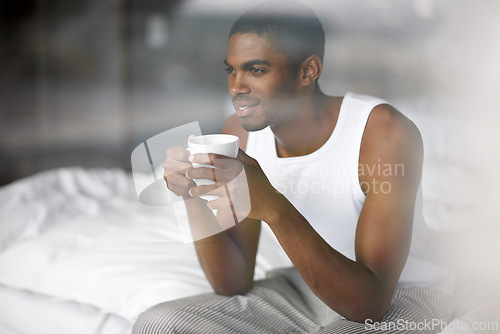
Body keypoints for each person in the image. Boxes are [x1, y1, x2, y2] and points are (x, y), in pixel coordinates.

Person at [133, 1, 454, 333]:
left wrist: (272, 206)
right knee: (159, 323)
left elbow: (367, 305)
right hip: (304, 288)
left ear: (308, 71)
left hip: (399, 295)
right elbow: (232, 283)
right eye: (231, 70)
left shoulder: (383, 133)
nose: (236, 88)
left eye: (256, 70)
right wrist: (190, 197)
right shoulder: (238, 134)